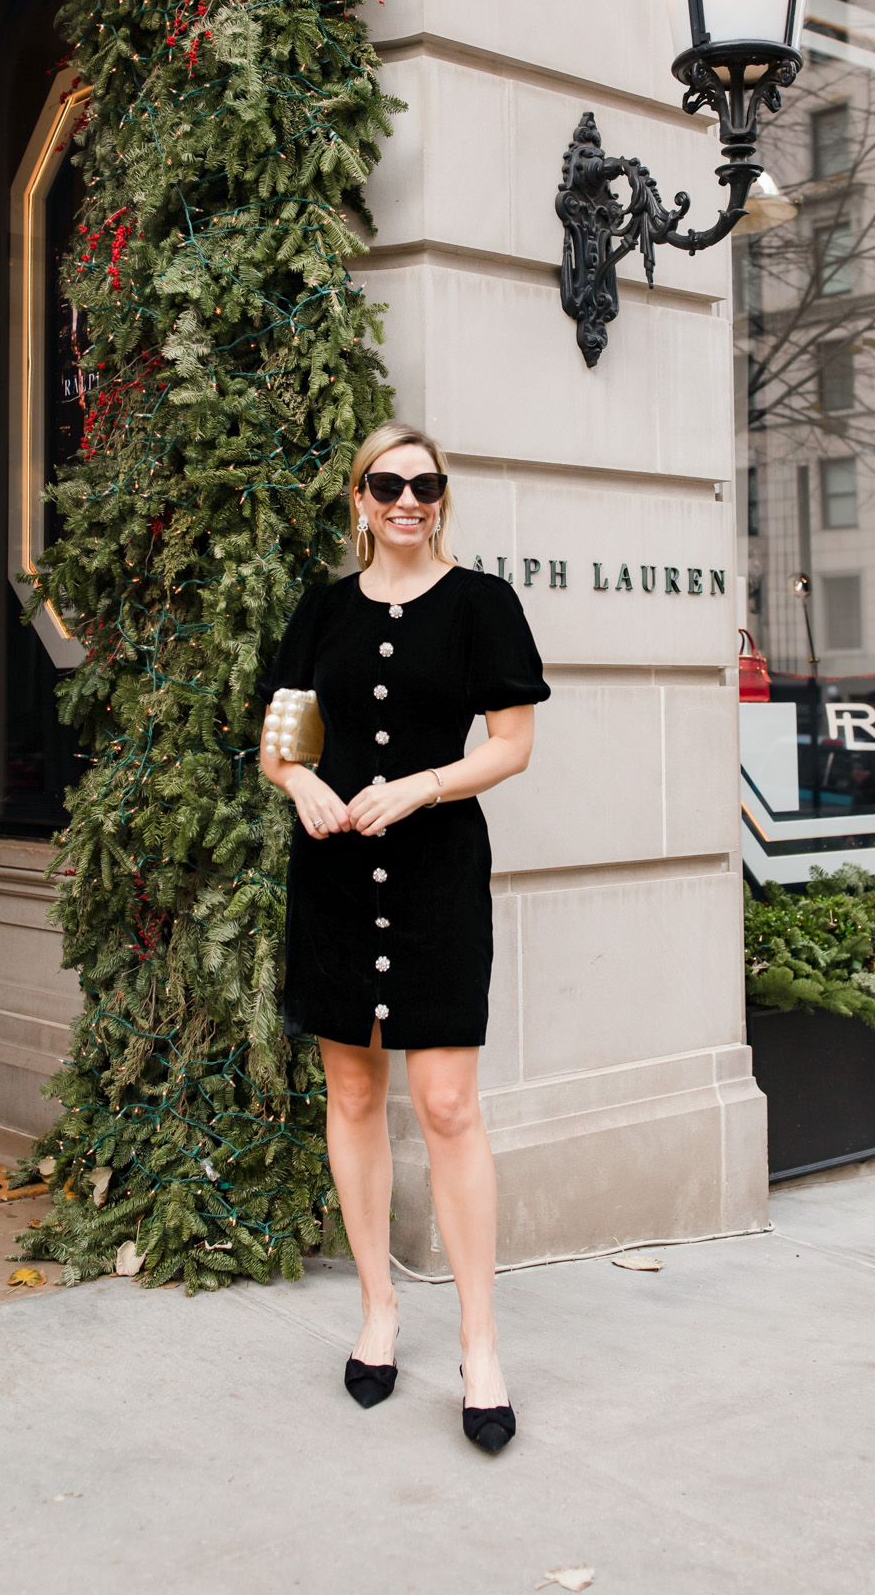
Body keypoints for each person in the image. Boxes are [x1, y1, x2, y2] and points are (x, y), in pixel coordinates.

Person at [258, 421, 549, 1453]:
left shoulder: (483, 605)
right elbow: (279, 740)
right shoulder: (323, 609)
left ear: (442, 495)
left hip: (435, 875)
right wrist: (302, 785)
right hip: (335, 871)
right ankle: (379, 1310)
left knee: (447, 1101)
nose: (408, 498)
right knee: (351, 1090)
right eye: (388, 483)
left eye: (425, 483)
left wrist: (423, 785)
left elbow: (511, 744)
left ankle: (479, 1341)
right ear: (359, 498)